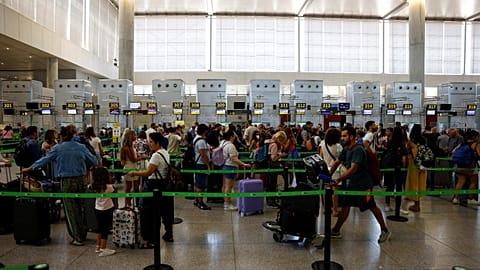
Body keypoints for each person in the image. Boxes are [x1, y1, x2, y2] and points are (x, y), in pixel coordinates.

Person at [22, 124, 98, 246]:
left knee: (71, 210)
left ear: (62, 136)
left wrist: (30, 168)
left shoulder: (58, 148)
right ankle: (83, 233)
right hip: (81, 180)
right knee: (82, 208)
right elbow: (94, 161)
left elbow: (44, 160)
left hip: (67, 182)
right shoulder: (81, 147)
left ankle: (77, 237)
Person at [329, 126, 391, 243]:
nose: (342, 138)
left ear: (351, 137)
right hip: (352, 185)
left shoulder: (358, 150)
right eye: (341, 136)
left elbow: (353, 168)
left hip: (364, 186)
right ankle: (336, 229)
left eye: (344, 136)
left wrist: (338, 179)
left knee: (371, 205)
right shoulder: (346, 149)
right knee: (346, 205)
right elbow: (337, 162)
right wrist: (329, 174)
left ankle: (384, 229)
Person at [127, 132, 174, 246]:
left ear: (158, 143)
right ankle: (168, 234)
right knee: (165, 211)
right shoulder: (165, 152)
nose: (150, 144)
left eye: (152, 142)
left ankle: (151, 238)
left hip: (154, 185)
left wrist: (134, 172)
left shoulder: (156, 155)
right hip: (164, 184)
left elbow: (149, 172)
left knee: (150, 212)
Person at [220, 130, 251, 210]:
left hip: (225, 166)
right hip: (230, 167)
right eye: (234, 135)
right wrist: (243, 164)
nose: (235, 136)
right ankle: (227, 204)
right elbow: (234, 159)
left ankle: (225, 201)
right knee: (229, 187)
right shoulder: (231, 146)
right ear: (231, 136)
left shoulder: (222, 143)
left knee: (224, 186)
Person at [402, 124, 428, 213]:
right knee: (420, 183)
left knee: (414, 184)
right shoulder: (424, 140)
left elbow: (406, 150)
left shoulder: (411, 142)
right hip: (423, 165)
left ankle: (417, 205)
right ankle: (417, 204)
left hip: (414, 165)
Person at [91, 167, 116, 257]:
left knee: (99, 227)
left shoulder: (94, 186)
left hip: (97, 208)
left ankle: (98, 246)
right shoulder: (109, 187)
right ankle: (103, 248)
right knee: (105, 229)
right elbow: (114, 193)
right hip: (107, 209)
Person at [382, 127, 408, 212]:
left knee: (389, 186)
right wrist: (404, 167)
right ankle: (398, 207)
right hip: (399, 167)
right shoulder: (402, 144)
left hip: (390, 167)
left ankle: (387, 205)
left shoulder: (390, 142)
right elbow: (404, 158)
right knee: (399, 187)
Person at [319, 128, 343, 217]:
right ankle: (335, 210)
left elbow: (321, 156)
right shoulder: (338, 146)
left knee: (326, 190)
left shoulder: (322, 143)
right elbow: (340, 159)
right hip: (335, 169)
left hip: (325, 169)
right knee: (335, 191)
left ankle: (326, 209)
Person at [451, 130, 479, 205]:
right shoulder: (475, 144)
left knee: (460, 182)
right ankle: (470, 198)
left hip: (460, 165)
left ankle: (456, 198)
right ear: (474, 137)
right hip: (470, 166)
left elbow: (453, 152)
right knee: (473, 182)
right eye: (478, 136)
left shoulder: (462, 144)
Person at [121, 129, 145, 207]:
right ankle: (128, 202)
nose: (136, 136)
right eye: (134, 135)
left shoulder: (132, 146)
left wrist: (138, 156)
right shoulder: (126, 148)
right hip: (129, 168)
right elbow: (133, 159)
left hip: (134, 168)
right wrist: (142, 157)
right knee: (129, 187)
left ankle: (134, 202)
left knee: (136, 186)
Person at [192, 124, 212, 210]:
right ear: (205, 131)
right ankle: (201, 202)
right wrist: (208, 165)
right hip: (201, 165)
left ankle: (196, 200)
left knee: (197, 183)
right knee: (201, 185)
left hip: (198, 164)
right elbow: (203, 155)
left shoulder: (196, 138)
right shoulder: (201, 141)